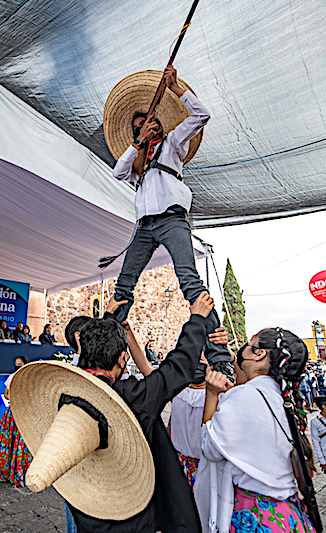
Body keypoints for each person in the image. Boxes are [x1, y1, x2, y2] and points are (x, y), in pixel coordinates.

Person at [18, 293, 215, 532]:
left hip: (88, 511)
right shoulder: (134, 396)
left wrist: (108, 318)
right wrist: (196, 320)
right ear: (122, 358)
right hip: (132, 515)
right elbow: (178, 368)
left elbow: (89, 359)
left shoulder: (69, 395)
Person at [104, 65, 232, 383]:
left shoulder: (173, 143)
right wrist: (138, 144)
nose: (144, 128)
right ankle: (107, 351)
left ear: (158, 125)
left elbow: (201, 115)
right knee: (124, 285)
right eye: (138, 127)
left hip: (173, 218)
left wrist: (175, 89)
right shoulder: (138, 162)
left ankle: (219, 358)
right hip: (144, 226)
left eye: (147, 123)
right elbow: (117, 172)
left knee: (189, 281)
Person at [196, 328, 317, 530]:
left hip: (257, 513)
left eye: (251, 344)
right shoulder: (279, 395)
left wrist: (212, 394)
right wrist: (230, 354)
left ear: (259, 354)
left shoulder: (245, 395)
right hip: (289, 514)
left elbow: (208, 447)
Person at [0, 355, 32, 486]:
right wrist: (13, 398)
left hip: (24, 412)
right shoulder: (11, 377)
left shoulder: (29, 378)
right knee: (9, 439)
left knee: (23, 441)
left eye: (20, 364)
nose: (17, 366)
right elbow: (6, 394)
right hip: (13, 411)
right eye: (16, 364)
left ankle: (22, 468)